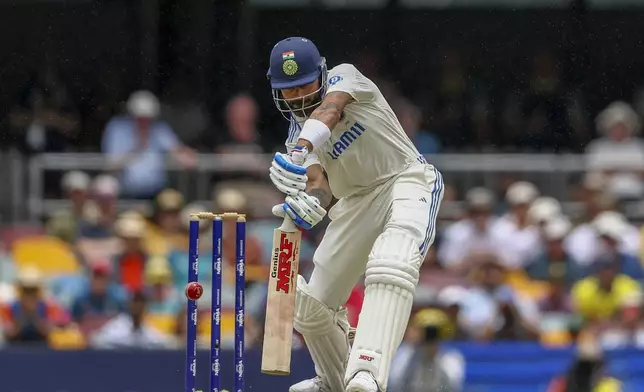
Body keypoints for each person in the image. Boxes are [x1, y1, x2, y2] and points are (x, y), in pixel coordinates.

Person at [266, 37, 444, 392]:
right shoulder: (294, 135)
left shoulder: (344, 78)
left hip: (404, 181)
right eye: (288, 90)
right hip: (354, 204)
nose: (298, 96)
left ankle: (367, 370)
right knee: (311, 309)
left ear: (322, 73)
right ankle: (334, 381)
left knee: (392, 261)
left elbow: (329, 112)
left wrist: (301, 149)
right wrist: (307, 203)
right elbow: (320, 186)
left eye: (304, 85)